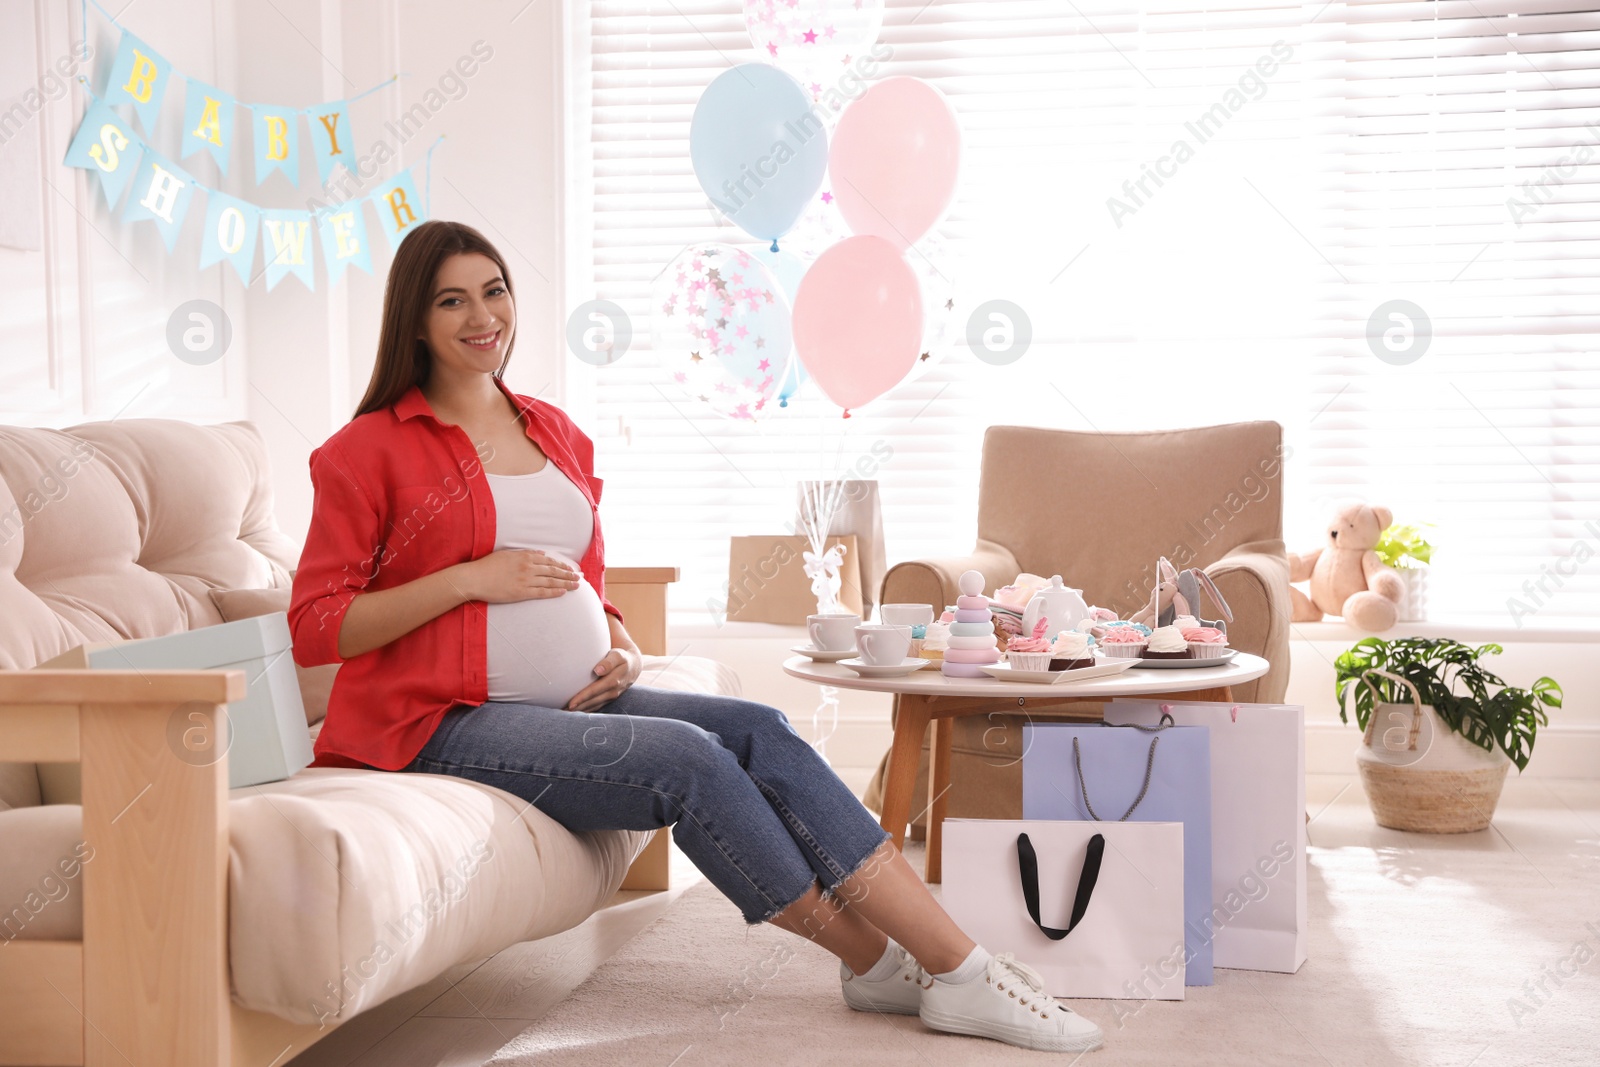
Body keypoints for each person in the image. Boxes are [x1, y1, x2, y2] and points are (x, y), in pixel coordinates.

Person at [288, 219, 1102, 1055]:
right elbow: (317, 627)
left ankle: (955, 962)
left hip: (572, 699)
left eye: (493, 290)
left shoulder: (553, 430)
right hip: (440, 722)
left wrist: (620, 642)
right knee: (689, 759)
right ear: (413, 321)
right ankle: (893, 963)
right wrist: (466, 579)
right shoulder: (365, 452)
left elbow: (584, 573)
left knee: (760, 727)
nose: (481, 316)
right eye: (451, 299)